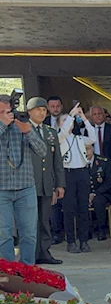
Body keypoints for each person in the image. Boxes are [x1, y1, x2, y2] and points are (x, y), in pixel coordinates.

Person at [0, 94, 47, 264]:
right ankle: (7, 272)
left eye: (9, 111)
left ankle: (28, 270)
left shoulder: (23, 124)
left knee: (28, 233)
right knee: (3, 233)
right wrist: (2, 125)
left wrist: (28, 131)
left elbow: (43, 151)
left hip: (25, 187)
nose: (8, 115)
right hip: (1, 189)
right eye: (2, 112)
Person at [28, 97, 65, 265]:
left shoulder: (50, 132)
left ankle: (45, 252)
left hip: (46, 183)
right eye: (38, 109)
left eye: (44, 110)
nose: (42, 113)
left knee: (45, 219)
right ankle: (31, 254)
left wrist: (59, 184)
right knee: (30, 221)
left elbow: (57, 160)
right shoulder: (23, 129)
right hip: (28, 183)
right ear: (29, 112)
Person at [58, 103, 96, 254]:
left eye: (70, 121)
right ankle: (71, 241)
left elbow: (92, 138)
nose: (69, 123)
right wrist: (71, 115)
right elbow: (62, 133)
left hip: (82, 173)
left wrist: (84, 119)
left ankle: (84, 241)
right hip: (67, 174)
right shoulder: (58, 137)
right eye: (65, 121)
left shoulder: (79, 138)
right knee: (69, 210)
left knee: (83, 209)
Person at [87, 143, 111, 241]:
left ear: (92, 148)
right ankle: (85, 230)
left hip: (105, 192)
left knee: (98, 201)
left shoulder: (104, 161)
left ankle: (101, 229)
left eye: (88, 149)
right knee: (80, 200)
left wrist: (94, 193)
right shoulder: (79, 162)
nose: (86, 152)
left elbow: (109, 182)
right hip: (86, 193)